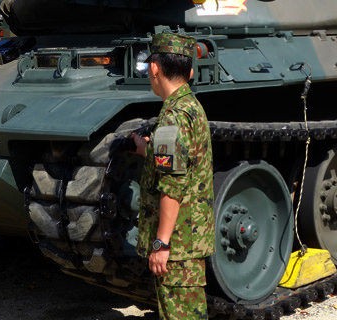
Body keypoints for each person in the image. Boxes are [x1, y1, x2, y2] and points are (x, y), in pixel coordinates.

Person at [132, 32, 215, 320]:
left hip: (177, 245)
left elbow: (172, 188)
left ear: (154, 69)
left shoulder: (171, 119)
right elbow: (184, 159)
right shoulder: (190, 107)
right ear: (189, 71)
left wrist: (161, 244)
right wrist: (149, 148)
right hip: (190, 240)